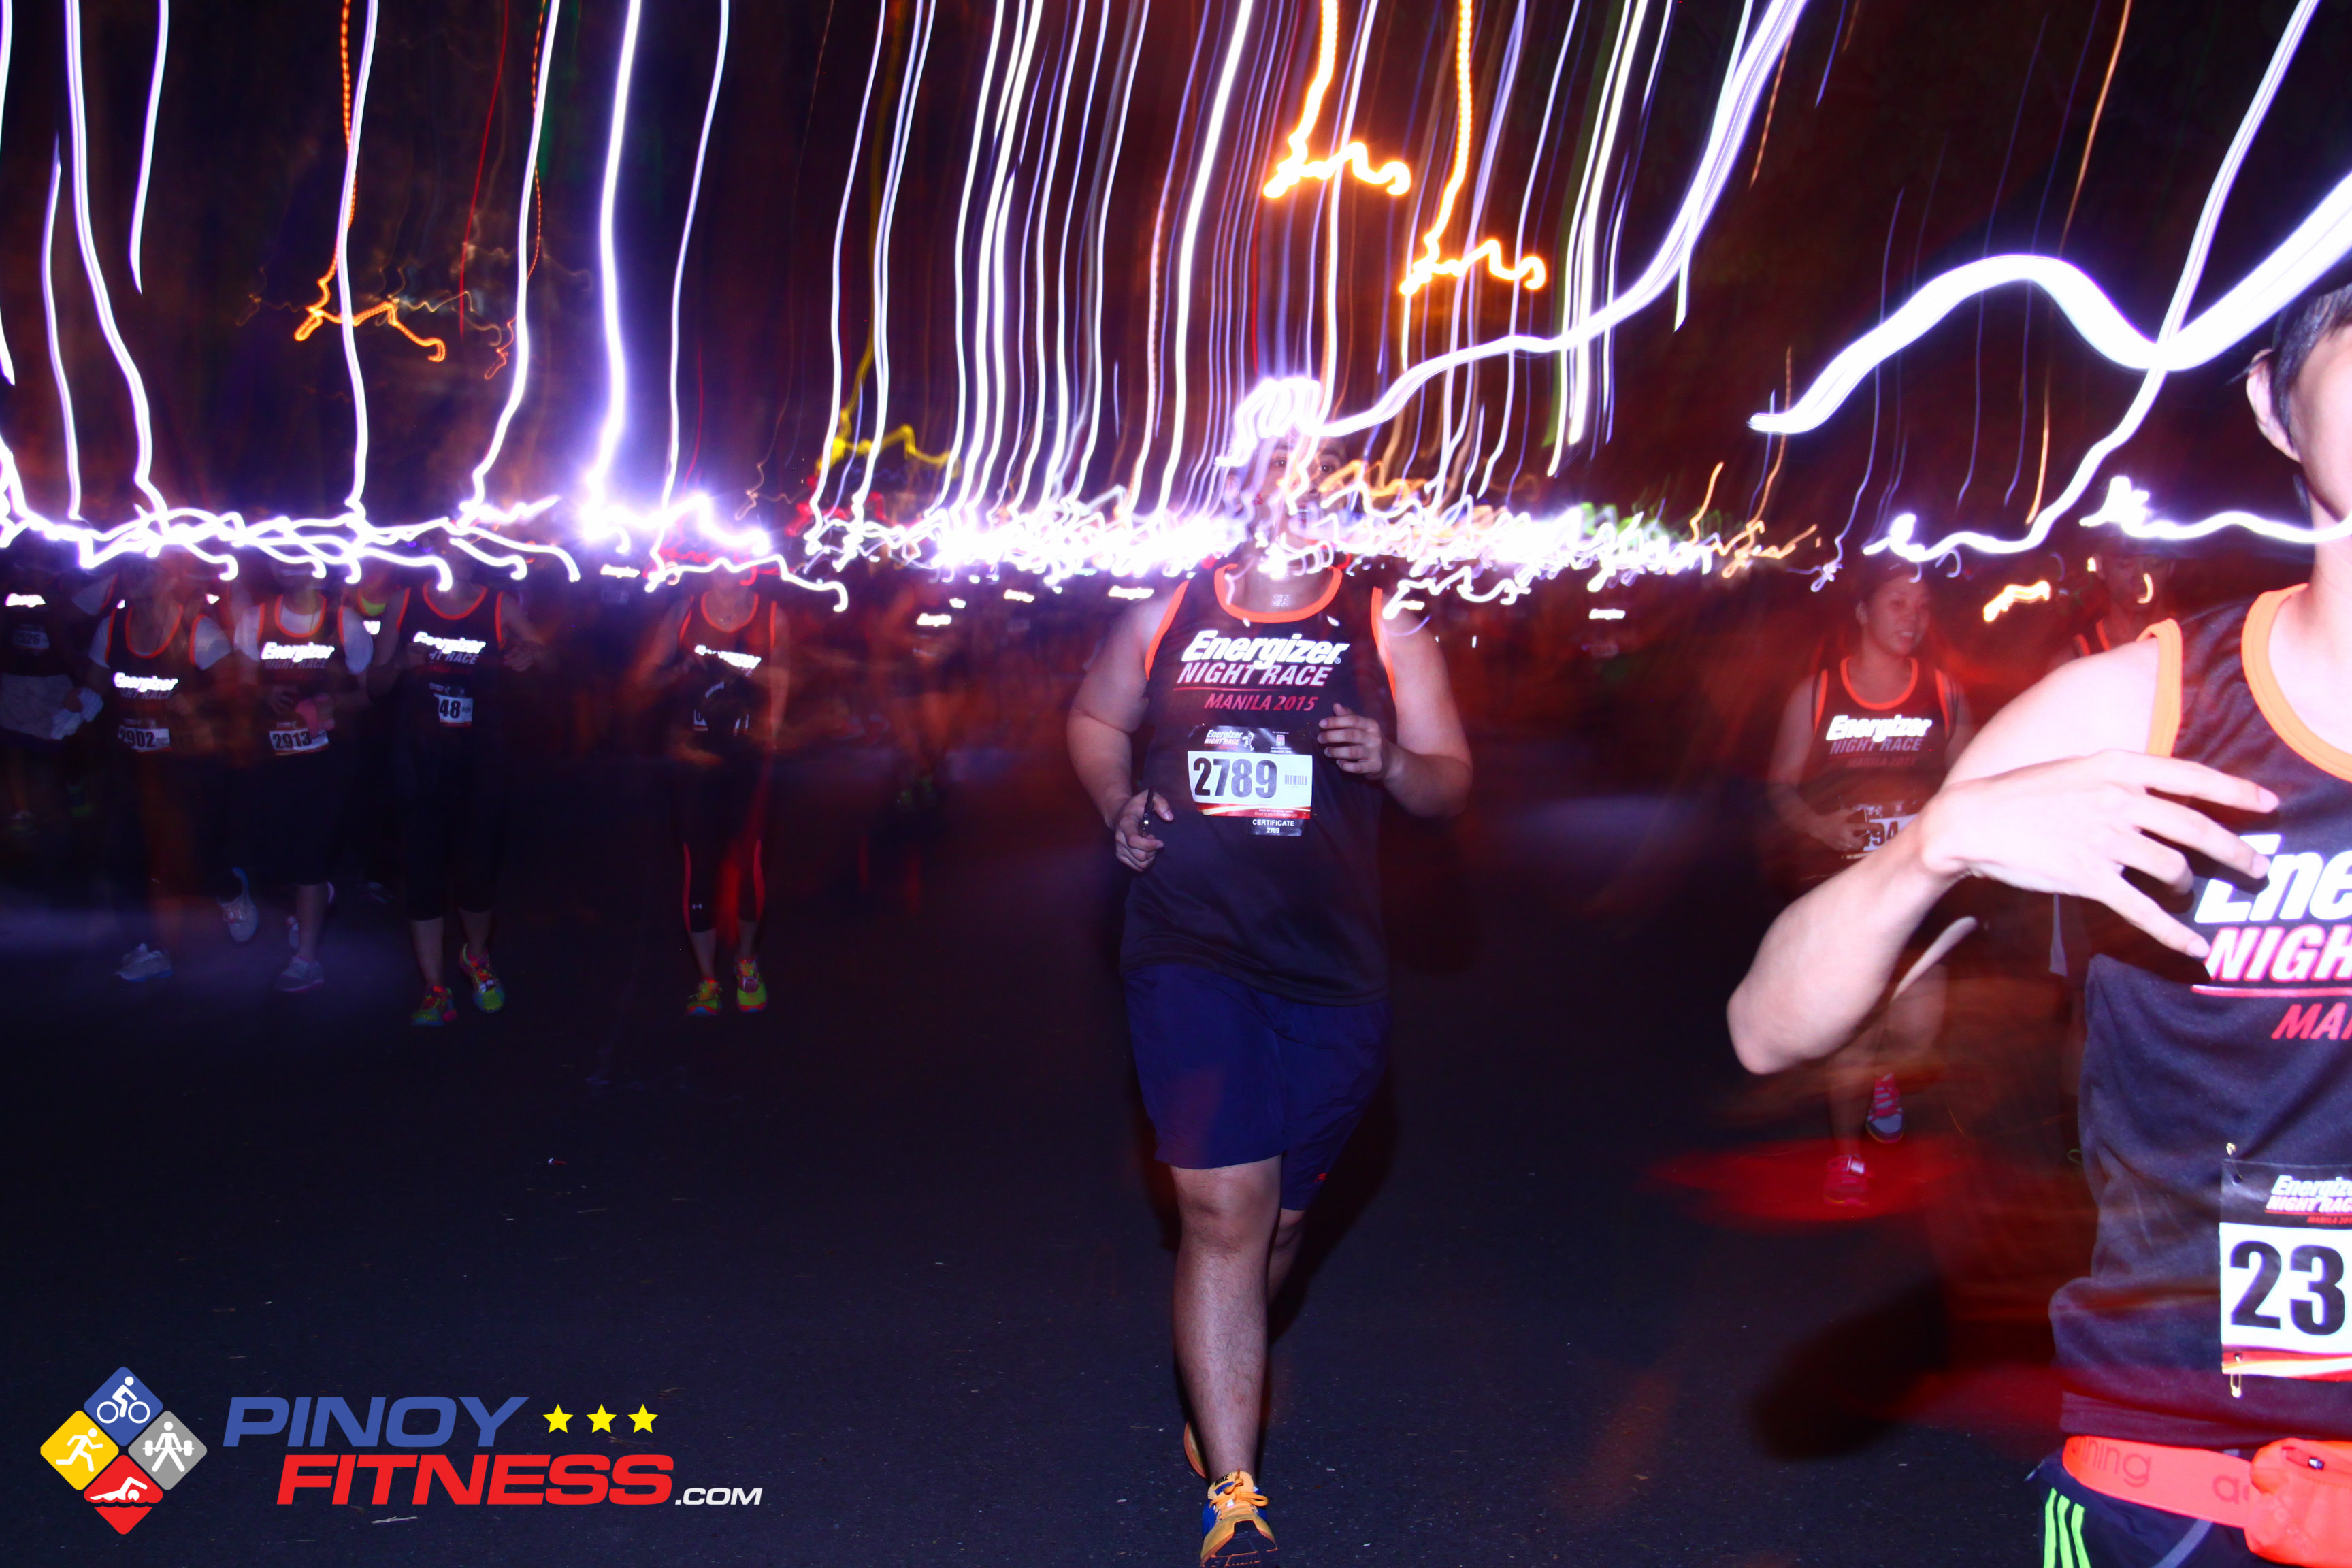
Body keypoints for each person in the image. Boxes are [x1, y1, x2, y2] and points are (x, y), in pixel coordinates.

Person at [1728, 274, 2352, 1567]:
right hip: (2189, 1481)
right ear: (2274, 404)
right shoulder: (2138, 711)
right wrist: (1929, 850)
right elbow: (1766, 1027)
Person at [1067, 434, 1471, 1565]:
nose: (1287, 502)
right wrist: (1117, 803)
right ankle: (1234, 1493)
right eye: (1265, 482)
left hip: (1332, 968)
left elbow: (1448, 779)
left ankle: (1231, 1345)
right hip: (1188, 945)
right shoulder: (1167, 612)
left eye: (1312, 483)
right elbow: (1095, 719)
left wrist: (1391, 761)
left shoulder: (1385, 624)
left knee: (1279, 1219)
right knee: (1222, 1212)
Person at [1765, 562, 1972, 1203]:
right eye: (1897, 602)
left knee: (1917, 1033)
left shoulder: (1944, 693)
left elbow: (1972, 780)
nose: (1913, 617)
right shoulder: (1818, 694)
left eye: (1923, 605)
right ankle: (1846, 1156)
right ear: (1862, 611)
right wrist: (1819, 825)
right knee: (1852, 1029)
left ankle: (1885, 1079)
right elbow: (1780, 785)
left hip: (1916, 887)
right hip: (1845, 887)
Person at [370, 549, 544, 1026]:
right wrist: (400, 663)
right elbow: (375, 685)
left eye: (470, 546)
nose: (461, 555)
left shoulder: (498, 605)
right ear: (436, 551)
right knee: (422, 873)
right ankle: (434, 988)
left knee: (476, 873)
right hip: (419, 759)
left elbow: (547, 654)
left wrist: (532, 653)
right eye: (451, 546)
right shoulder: (404, 603)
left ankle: (477, 957)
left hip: (478, 760)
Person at [627, 566, 791, 1015]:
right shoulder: (684, 612)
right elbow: (646, 677)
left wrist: (769, 728)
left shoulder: (771, 615)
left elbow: (782, 679)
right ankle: (707, 979)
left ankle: (747, 962)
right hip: (696, 761)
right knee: (699, 866)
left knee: (750, 862)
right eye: (716, 556)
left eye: (735, 556)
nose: (725, 567)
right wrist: (677, 671)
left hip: (748, 760)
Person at [78, 554, 250, 979]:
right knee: (123, 854)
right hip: (132, 762)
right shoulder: (112, 627)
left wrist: (197, 699)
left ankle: (229, 888)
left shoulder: (196, 630)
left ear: (168, 579)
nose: (136, 577)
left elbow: (232, 683)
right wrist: (75, 706)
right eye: (131, 569)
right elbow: (95, 683)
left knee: (199, 853)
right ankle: (146, 948)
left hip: (188, 762)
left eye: (147, 570)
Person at [232, 559, 370, 992]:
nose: (287, 566)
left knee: (311, 854)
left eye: (297, 557)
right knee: (277, 855)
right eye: (279, 558)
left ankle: (306, 959)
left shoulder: (344, 622)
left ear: (315, 566)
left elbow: (368, 697)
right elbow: (242, 687)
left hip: (325, 761)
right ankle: (313, 896)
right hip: (271, 759)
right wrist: (262, 692)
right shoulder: (256, 620)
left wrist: (334, 704)